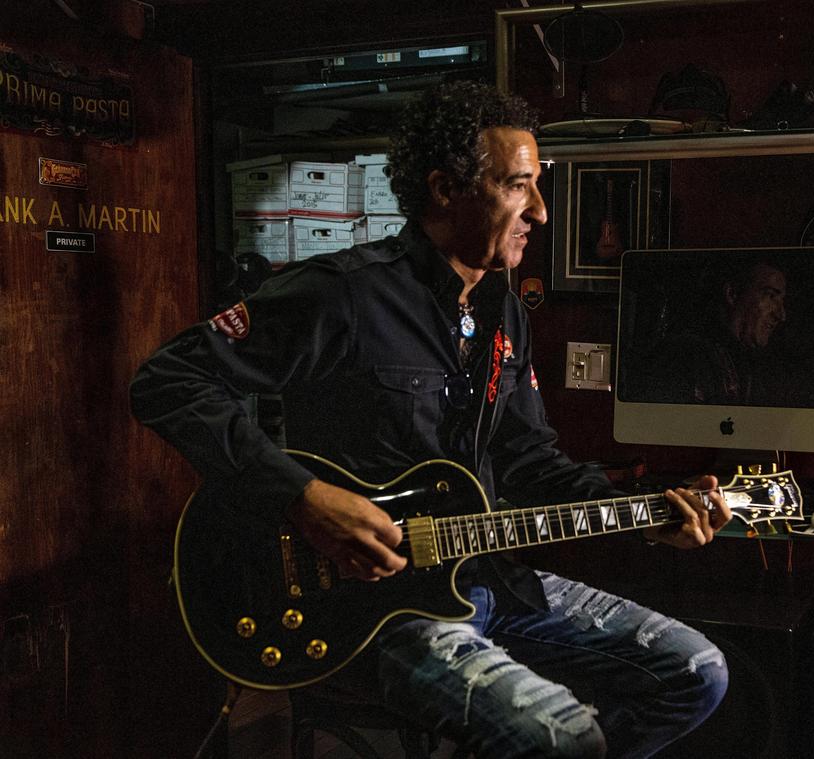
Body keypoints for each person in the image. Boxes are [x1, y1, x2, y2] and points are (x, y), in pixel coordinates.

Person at [130, 81, 731, 758]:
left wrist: (647, 515)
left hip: (488, 577)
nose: (539, 208)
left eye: (539, 185)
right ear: (446, 190)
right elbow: (168, 378)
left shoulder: (505, 315)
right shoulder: (343, 293)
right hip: (371, 610)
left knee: (697, 672)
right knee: (565, 739)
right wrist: (303, 498)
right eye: (519, 185)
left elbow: (532, 463)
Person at [629, 258, 788, 405]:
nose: (781, 315)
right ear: (732, 293)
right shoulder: (684, 354)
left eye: (781, 301)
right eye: (770, 296)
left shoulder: (747, 366)